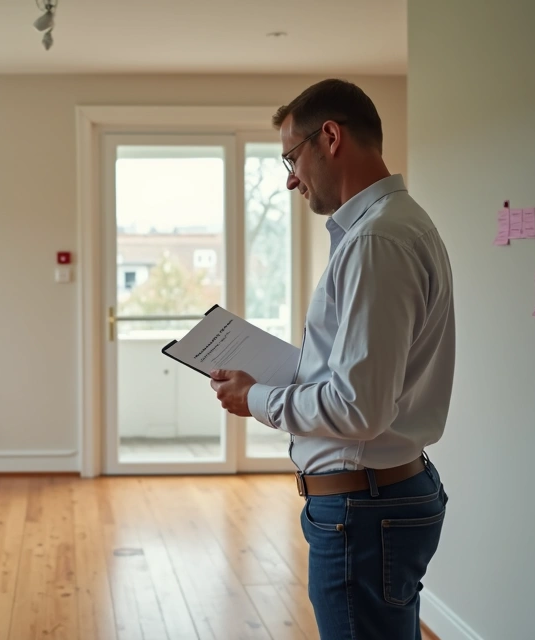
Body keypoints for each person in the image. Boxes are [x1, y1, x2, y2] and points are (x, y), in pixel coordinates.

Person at [210, 79, 454, 639]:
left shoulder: (376, 241)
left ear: (330, 137)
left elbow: (359, 408)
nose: (291, 178)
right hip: (377, 499)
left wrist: (256, 398)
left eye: (291, 157)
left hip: (363, 509)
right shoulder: (397, 225)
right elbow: (367, 378)